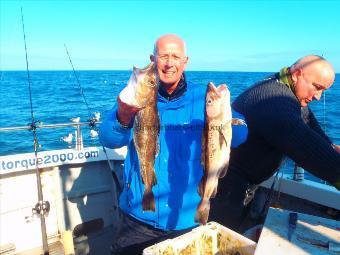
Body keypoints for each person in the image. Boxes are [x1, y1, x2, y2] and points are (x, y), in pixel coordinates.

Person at [99, 34, 247, 254]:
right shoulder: (135, 97)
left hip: (188, 219)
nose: (169, 63)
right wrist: (123, 116)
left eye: (176, 57)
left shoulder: (203, 97)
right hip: (138, 216)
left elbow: (242, 134)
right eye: (163, 56)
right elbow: (109, 139)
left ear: (185, 61)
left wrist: (221, 120)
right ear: (153, 59)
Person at [209, 55, 340, 232]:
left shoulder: (283, 86)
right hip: (228, 187)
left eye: (323, 91)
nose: (318, 96)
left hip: (245, 184)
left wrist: (331, 147)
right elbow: (304, 145)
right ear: (297, 74)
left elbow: (306, 119)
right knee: (220, 237)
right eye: (317, 88)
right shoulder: (274, 100)